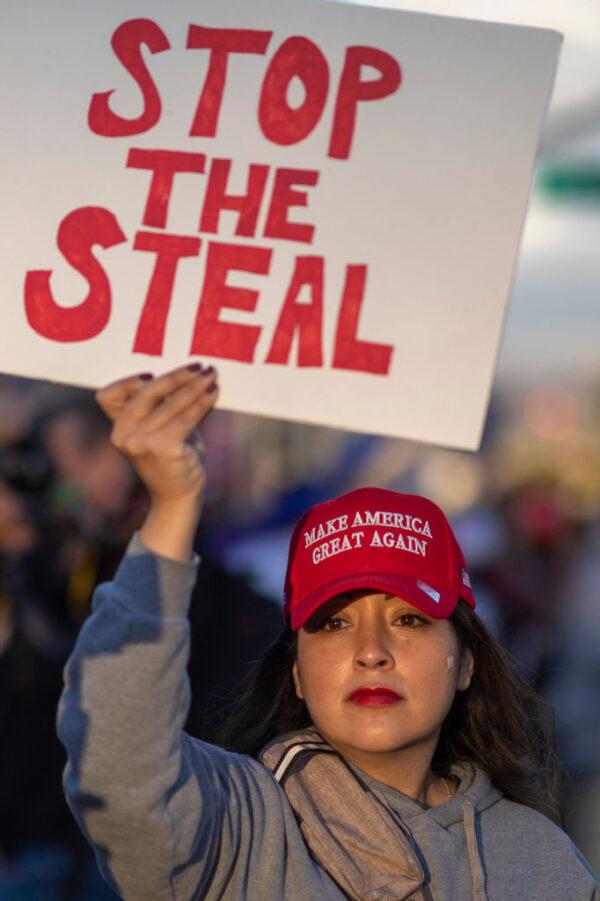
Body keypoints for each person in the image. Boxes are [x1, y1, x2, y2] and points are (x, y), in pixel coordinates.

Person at [57, 365, 599, 900]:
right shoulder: (229, 828)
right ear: (295, 671)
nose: (371, 653)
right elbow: (117, 763)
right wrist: (173, 506)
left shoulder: (542, 860)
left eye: (408, 619)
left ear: (466, 662)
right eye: (334, 623)